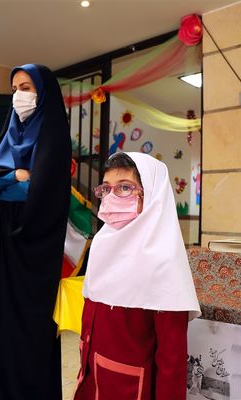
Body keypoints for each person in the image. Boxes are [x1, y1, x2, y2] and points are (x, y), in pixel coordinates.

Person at [0, 64, 71, 400]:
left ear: (43, 93)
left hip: (34, 247)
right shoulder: (7, 136)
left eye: (26, 87)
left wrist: (6, 187)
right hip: (0, 245)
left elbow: (42, 193)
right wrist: (13, 177)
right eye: (15, 89)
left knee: (28, 330)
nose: (18, 96)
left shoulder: (54, 137)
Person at [74, 152, 201, 400]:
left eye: (124, 187)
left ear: (152, 195)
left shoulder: (164, 261)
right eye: (106, 189)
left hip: (131, 389)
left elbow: (172, 360)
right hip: (92, 380)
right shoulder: (101, 243)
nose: (111, 197)